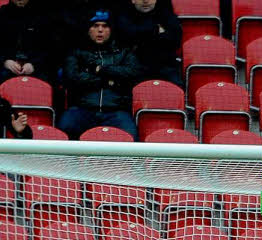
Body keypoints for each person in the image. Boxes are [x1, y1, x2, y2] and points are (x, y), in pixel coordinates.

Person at [58, 10, 144, 140]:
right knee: (64, 130)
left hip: (116, 111)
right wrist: (108, 81)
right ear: (88, 30)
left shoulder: (124, 53)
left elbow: (133, 73)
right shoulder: (76, 53)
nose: (100, 30)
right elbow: (72, 78)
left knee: (130, 136)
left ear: (111, 30)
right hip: (82, 109)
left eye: (105, 26)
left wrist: (100, 69)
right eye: (95, 26)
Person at [114, 0, 184, 86]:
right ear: (133, 0)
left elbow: (175, 41)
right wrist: (156, 30)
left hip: (165, 66)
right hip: (135, 66)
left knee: (176, 89)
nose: (145, 1)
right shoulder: (125, 16)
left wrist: (140, 36)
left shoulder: (167, 15)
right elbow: (126, 37)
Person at [0, 0, 50, 84]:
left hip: (36, 67)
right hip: (6, 66)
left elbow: (50, 46)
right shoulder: (2, 14)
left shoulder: (42, 15)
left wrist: (34, 65)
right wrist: (5, 62)